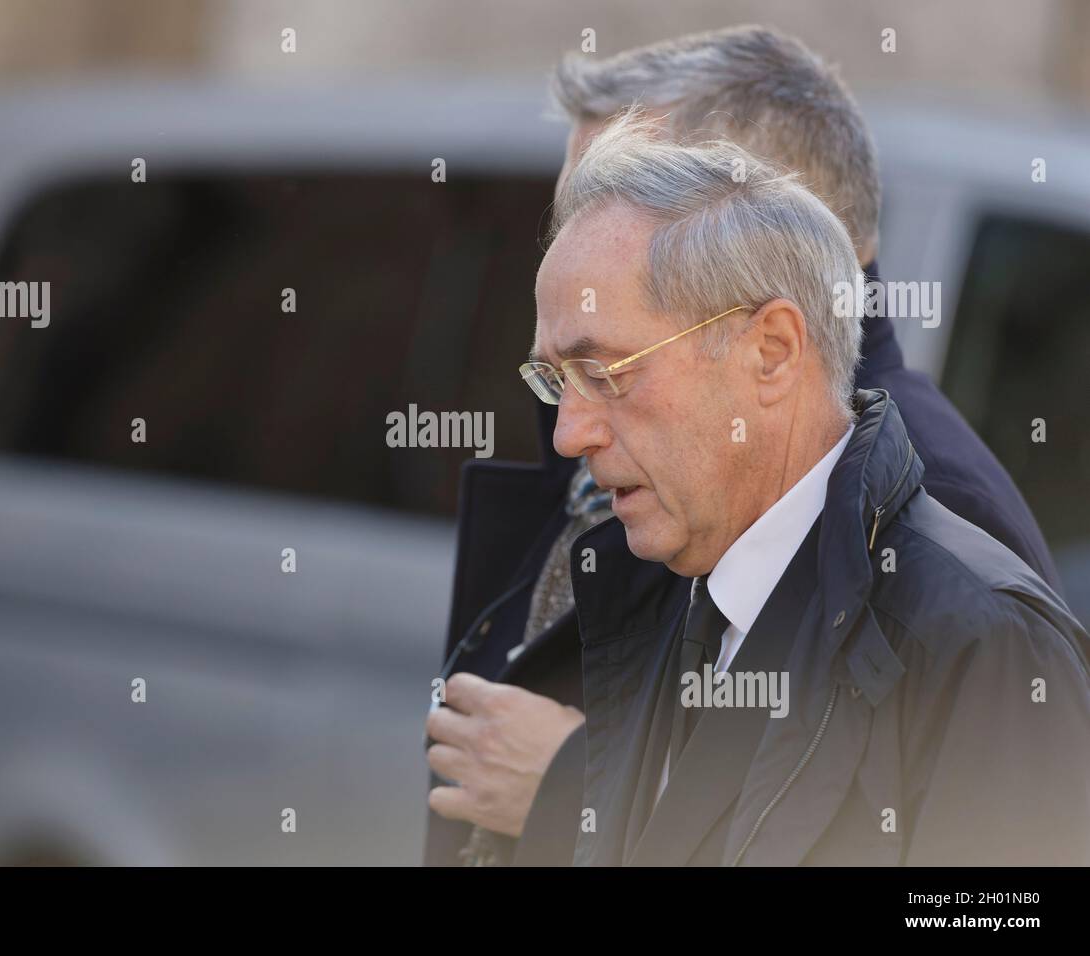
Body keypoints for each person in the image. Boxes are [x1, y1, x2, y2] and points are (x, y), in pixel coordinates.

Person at [424, 25, 1064, 867]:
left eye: (609, 369)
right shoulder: (691, 556)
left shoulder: (968, 602)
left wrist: (568, 790)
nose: (571, 432)